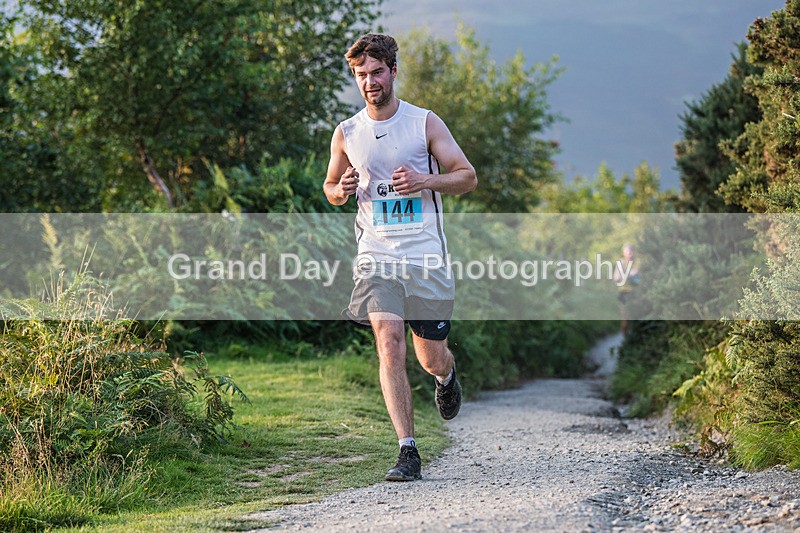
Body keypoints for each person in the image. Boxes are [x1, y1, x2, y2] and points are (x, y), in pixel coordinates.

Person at [323, 33, 477, 481]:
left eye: (376, 72)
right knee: (388, 338)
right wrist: (341, 190)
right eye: (361, 75)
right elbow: (331, 188)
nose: (370, 82)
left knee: (430, 357)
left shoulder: (424, 123)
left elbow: (466, 176)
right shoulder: (348, 133)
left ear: (392, 71)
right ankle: (407, 451)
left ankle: (446, 377)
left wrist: (424, 182)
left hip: (425, 256)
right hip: (377, 255)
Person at [613, 243, 640, 336]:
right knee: (625, 319)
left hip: (637, 293)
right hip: (624, 293)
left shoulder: (638, 262)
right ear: (623, 253)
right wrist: (629, 274)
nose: (629, 253)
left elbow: (641, 275)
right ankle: (625, 339)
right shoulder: (621, 262)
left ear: (633, 252)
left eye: (630, 251)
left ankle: (636, 338)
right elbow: (616, 277)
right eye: (627, 251)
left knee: (637, 317)